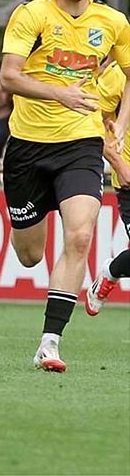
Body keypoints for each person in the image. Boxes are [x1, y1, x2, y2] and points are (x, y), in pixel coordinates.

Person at [0, 0, 130, 372]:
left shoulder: (113, 23)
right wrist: (63, 94)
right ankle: (29, 227)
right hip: (28, 147)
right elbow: (9, 77)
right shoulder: (31, 15)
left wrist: (118, 128)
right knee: (30, 253)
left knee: (79, 235)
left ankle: (49, 343)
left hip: (81, 142)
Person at [93, 59, 130, 315]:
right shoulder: (117, 76)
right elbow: (93, 125)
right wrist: (118, 164)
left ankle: (113, 270)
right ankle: (111, 271)